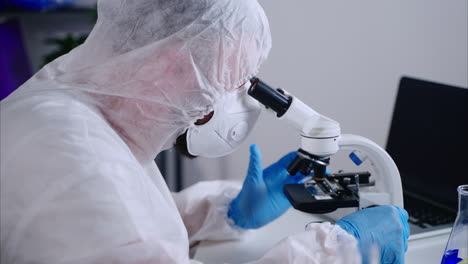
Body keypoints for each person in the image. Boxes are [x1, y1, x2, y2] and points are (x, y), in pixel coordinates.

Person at [0, 0, 409, 263]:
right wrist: (338, 251)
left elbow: (120, 222)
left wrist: (222, 212)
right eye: (234, 80)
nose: (235, 99)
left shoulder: (75, 107)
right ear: (171, 61)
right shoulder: (71, 154)